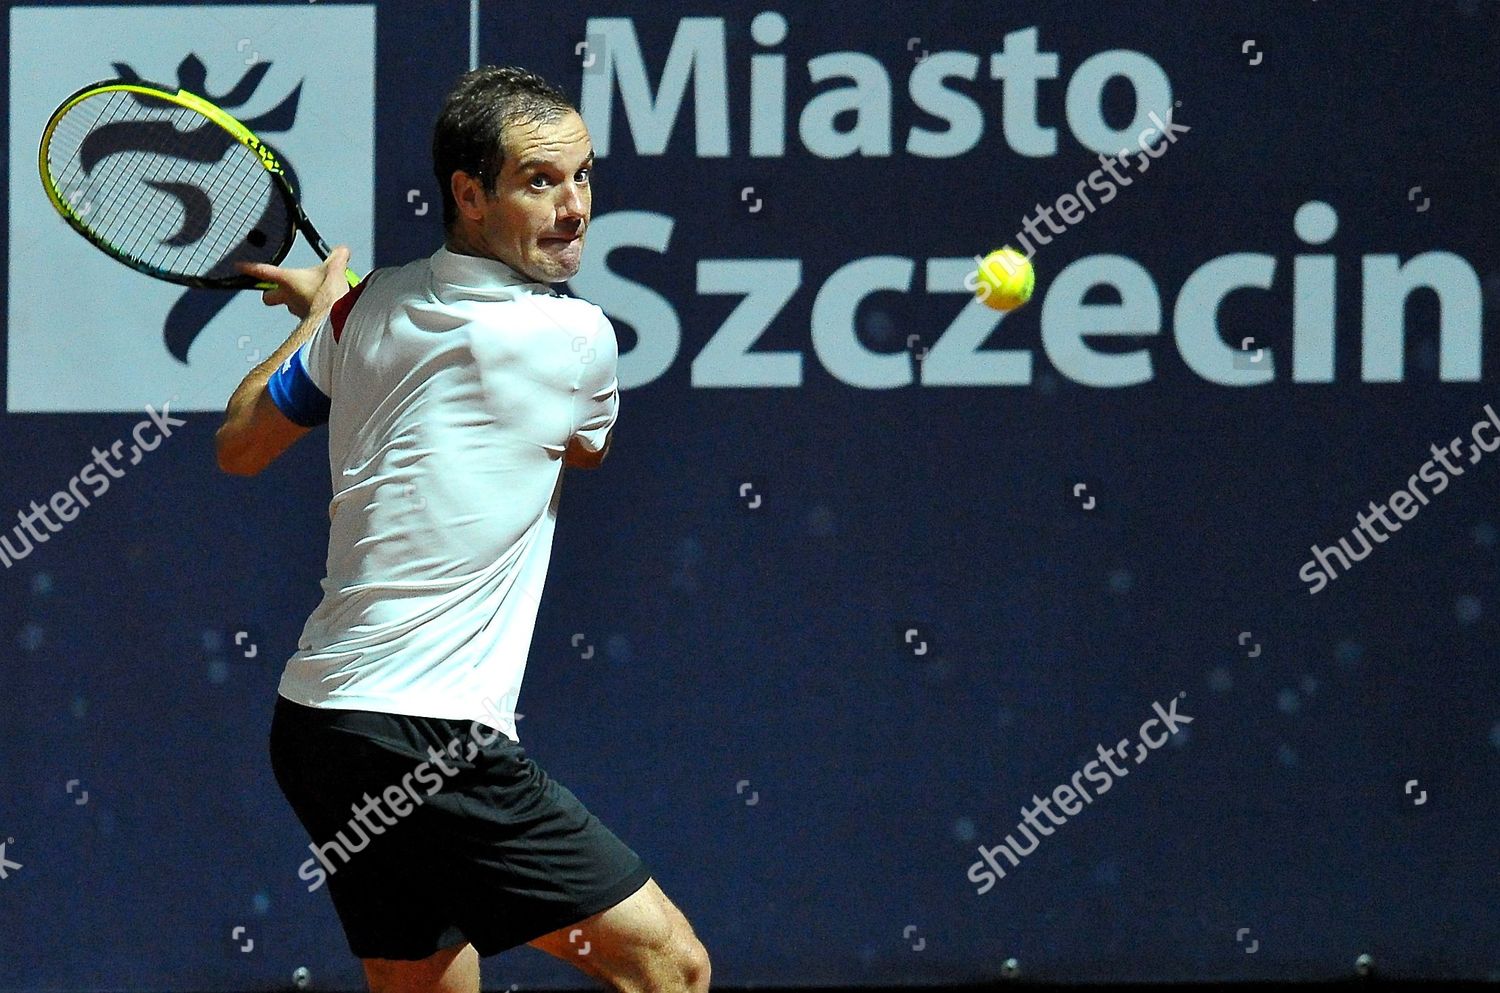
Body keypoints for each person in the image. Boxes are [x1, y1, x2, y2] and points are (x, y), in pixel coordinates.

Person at [214, 66, 710, 993]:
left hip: (319, 729)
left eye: (584, 177)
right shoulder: (577, 339)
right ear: (469, 194)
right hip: (425, 734)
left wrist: (325, 314)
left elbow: (240, 443)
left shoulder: (367, 309)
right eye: (540, 181)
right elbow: (583, 454)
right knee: (671, 968)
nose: (574, 208)